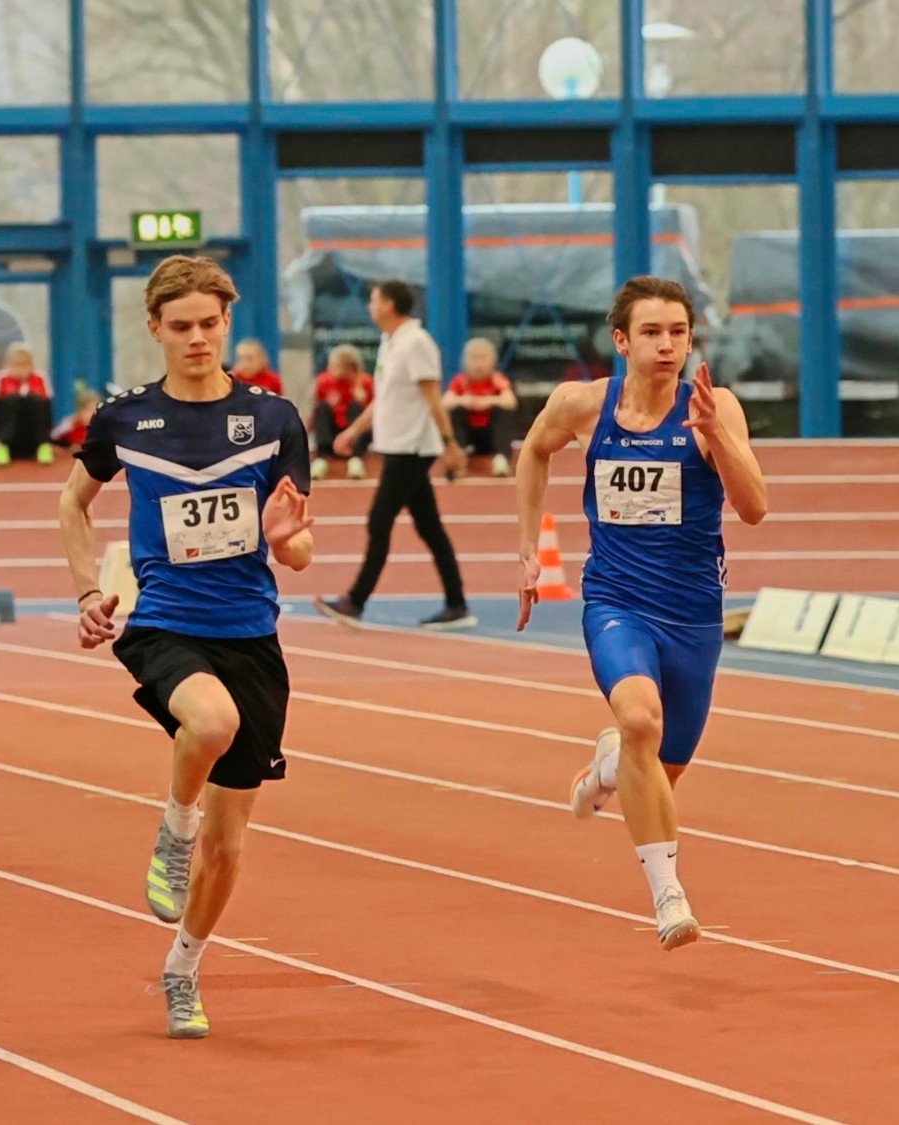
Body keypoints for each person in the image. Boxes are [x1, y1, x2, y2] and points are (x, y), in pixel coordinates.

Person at [58, 255, 314, 1039]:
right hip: (165, 622)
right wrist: (87, 592)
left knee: (229, 848)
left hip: (251, 634)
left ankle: (183, 967)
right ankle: (175, 827)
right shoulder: (124, 419)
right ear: (155, 329)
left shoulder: (274, 419)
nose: (197, 337)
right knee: (210, 722)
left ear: (227, 323)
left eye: (209, 323)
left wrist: (284, 537)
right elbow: (73, 503)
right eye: (181, 326)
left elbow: (300, 552)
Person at [514, 276, 767, 952]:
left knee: (656, 770)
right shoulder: (581, 404)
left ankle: (606, 769)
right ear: (621, 341)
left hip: (693, 615)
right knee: (639, 720)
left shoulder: (716, 406)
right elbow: (534, 450)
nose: (667, 345)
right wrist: (528, 549)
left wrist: (717, 438)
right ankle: (668, 893)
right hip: (616, 601)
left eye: (678, 333)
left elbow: (754, 508)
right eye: (652, 333)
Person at [312, 279, 474, 630]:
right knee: (429, 526)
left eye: (373, 300)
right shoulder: (391, 342)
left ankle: (355, 601)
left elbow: (432, 396)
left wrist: (449, 444)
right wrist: (354, 431)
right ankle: (457, 604)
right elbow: (383, 399)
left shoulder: (416, 343)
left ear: (388, 305)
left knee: (379, 521)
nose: (369, 306)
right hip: (397, 445)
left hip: (412, 448)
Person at [443, 337, 517, 477]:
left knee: (502, 411)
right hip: (469, 435)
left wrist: (488, 401)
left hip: (490, 436)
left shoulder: (497, 380)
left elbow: (511, 401)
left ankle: (501, 460)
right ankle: (459, 459)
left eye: (483, 358)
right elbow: (445, 402)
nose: (478, 364)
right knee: (456, 412)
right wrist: (463, 400)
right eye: (474, 358)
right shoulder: (460, 381)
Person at [310, 344, 372, 481]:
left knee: (356, 407)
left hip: (355, 432)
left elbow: (373, 415)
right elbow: (316, 411)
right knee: (322, 408)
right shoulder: (323, 381)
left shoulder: (365, 382)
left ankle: (356, 458)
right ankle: (322, 456)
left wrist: (363, 401)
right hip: (333, 432)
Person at [0, 342, 54, 465]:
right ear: (7, 364)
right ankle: (2, 447)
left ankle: (43, 446)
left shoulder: (41, 377)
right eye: (15, 364)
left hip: (33, 435)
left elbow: (47, 409)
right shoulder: (1, 378)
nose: (19, 369)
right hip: (11, 435)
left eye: (24, 364)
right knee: (11, 401)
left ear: (31, 365)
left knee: (35, 401)